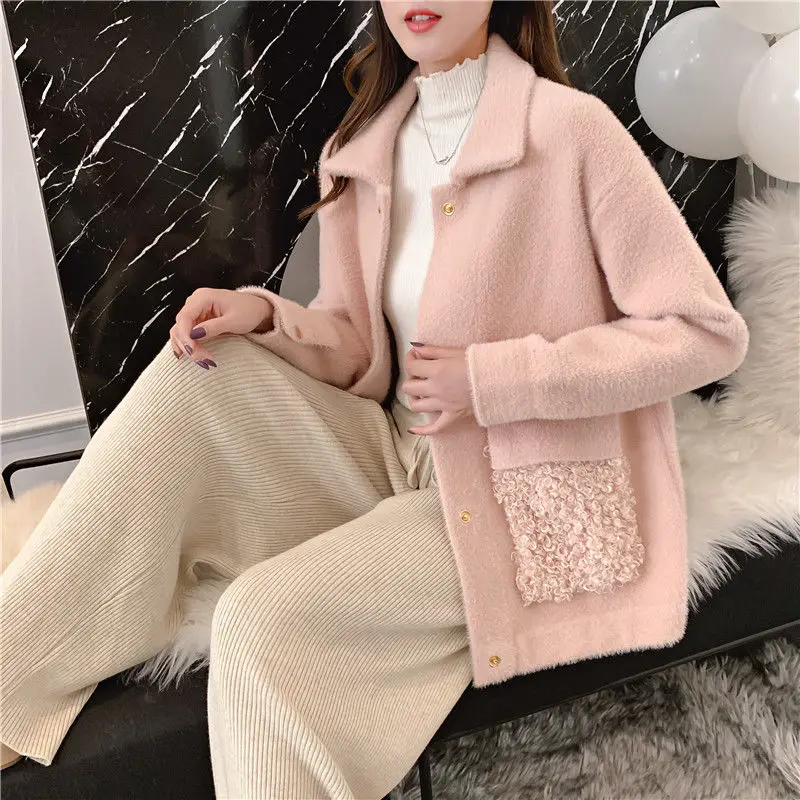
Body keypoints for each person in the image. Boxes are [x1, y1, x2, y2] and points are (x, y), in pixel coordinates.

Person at [0, 1, 749, 798]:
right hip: (393, 454)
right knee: (198, 377)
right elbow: (357, 346)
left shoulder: (571, 132)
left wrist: (493, 379)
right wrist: (265, 316)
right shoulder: (363, 151)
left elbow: (704, 333)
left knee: (260, 621)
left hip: (517, 488)